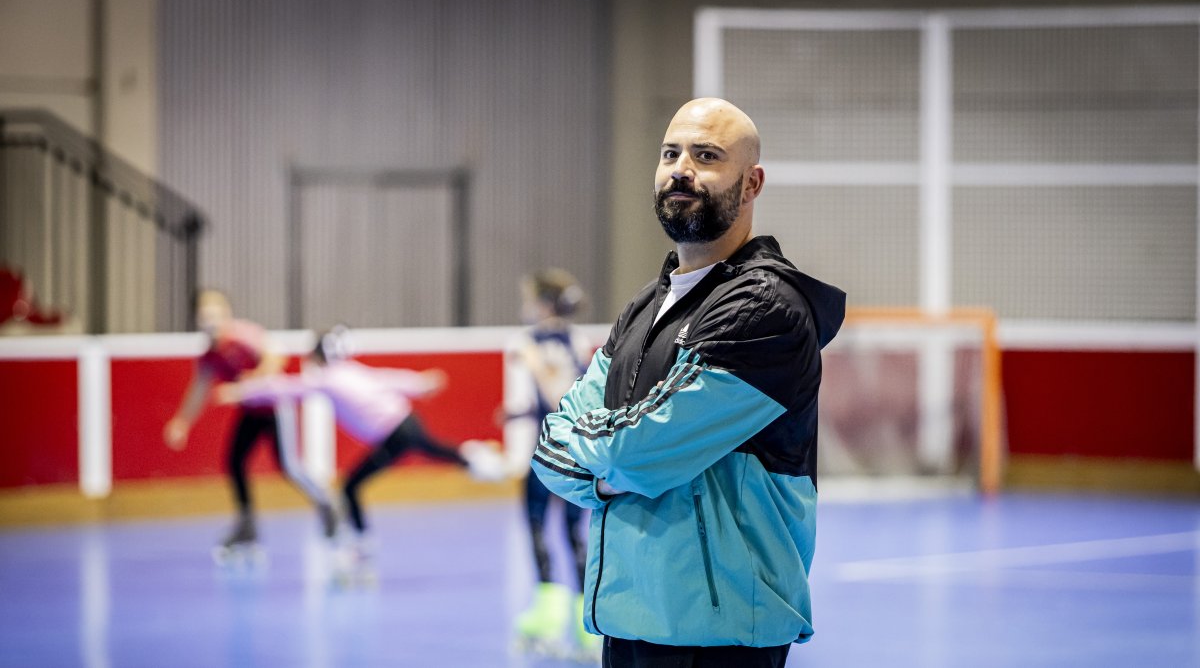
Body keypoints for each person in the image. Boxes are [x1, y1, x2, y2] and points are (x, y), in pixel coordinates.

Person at [530, 98, 846, 667]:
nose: (682, 169)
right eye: (670, 153)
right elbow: (550, 452)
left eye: (706, 156)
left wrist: (601, 470)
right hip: (628, 621)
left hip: (721, 636)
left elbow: (640, 450)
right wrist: (610, 473)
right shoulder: (644, 309)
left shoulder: (765, 308)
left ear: (751, 184)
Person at [219, 326, 486, 581]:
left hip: (393, 433)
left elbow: (283, 388)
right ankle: (475, 459)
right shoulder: (350, 370)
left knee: (350, 487)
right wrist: (419, 383)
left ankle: (363, 547)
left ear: (316, 356)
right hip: (406, 420)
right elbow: (387, 377)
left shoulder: (326, 379)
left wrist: (242, 392)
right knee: (432, 449)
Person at [164, 289, 336, 558]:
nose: (209, 321)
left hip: (275, 407)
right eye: (204, 316)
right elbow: (199, 388)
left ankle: (326, 503)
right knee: (234, 462)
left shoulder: (242, 336)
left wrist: (247, 385)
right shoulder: (209, 355)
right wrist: (182, 422)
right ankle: (247, 526)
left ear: (226, 314)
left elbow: (276, 357)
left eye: (214, 314)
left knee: (289, 466)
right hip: (251, 412)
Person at [501, 269, 596, 654]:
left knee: (538, 528)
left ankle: (547, 617)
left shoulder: (531, 342)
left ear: (542, 304)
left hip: (548, 455)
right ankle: (585, 622)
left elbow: (558, 397)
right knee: (574, 536)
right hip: (577, 454)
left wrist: (533, 364)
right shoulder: (578, 339)